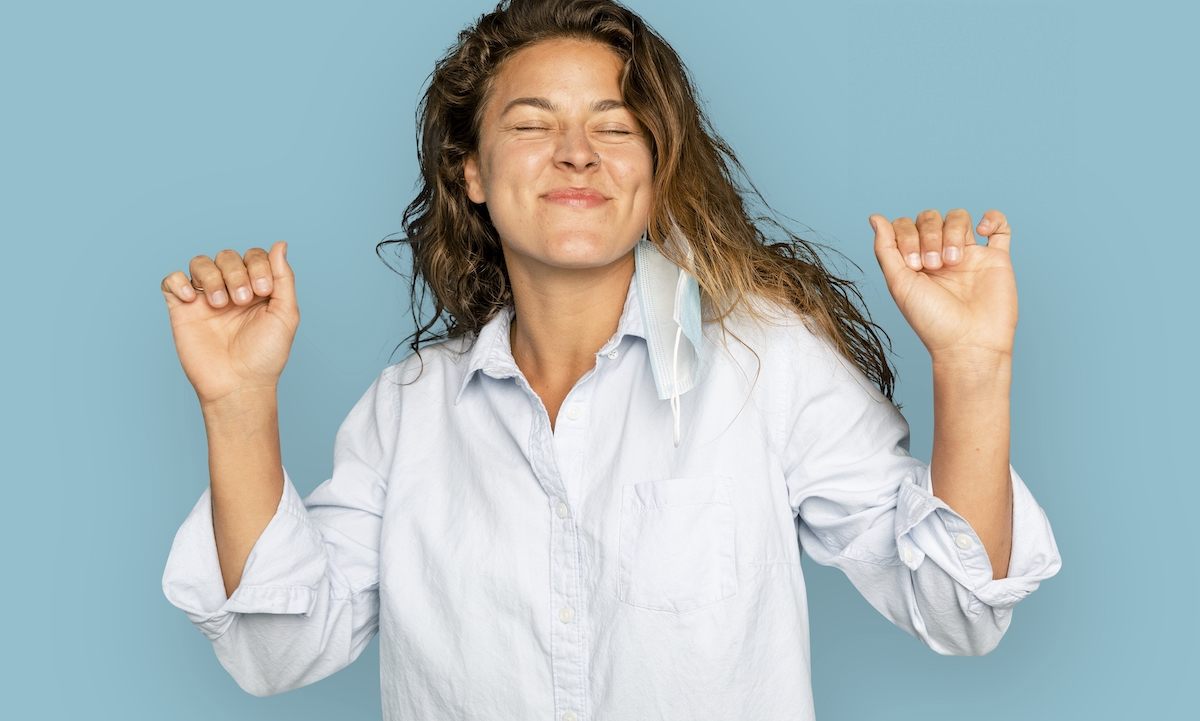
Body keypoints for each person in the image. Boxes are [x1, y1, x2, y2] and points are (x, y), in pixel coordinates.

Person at [160, 1, 1060, 718]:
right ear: (469, 170)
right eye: (531, 124)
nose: (578, 152)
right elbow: (276, 652)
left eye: (615, 125)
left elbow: (960, 607)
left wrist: (971, 366)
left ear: (656, 166)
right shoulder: (407, 412)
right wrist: (239, 402)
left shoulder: (766, 366)